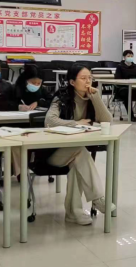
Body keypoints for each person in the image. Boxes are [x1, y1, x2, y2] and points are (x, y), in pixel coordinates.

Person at [45, 64, 115, 225]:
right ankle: (98, 198)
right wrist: (76, 123)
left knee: (77, 162)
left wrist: (96, 97)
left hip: (75, 152)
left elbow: (107, 120)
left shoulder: (91, 98)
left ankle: (73, 213)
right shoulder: (61, 98)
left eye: (90, 78)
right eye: (83, 78)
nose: (88, 81)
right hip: (53, 152)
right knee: (80, 151)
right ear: (72, 82)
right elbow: (49, 121)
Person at [0, 64, 53, 178]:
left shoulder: (41, 90)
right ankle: (20, 173)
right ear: (25, 80)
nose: (36, 85)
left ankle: (27, 169)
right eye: (33, 82)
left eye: (39, 83)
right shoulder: (13, 89)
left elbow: (53, 101)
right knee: (17, 143)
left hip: (34, 127)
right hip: (14, 127)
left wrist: (39, 102)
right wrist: (17, 107)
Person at [115, 50, 136, 121]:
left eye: (131, 56)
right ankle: (131, 115)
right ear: (124, 57)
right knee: (127, 93)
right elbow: (118, 78)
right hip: (124, 88)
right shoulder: (120, 66)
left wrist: (135, 81)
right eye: (128, 56)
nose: (130, 57)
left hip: (135, 87)